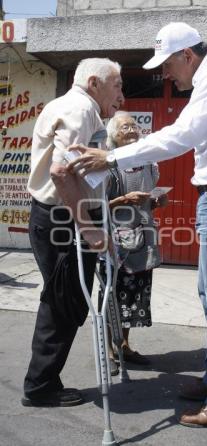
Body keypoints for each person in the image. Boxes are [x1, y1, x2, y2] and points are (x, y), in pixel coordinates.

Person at [67, 23, 207, 426]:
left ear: (188, 56)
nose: (165, 74)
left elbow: (184, 134)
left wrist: (110, 158)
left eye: (167, 65)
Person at [22, 58, 124, 407]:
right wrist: (91, 229)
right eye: (118, 86)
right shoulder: (81, 110)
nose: (121, 97)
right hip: (65, 221)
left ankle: (44, 379)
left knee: (62, 300)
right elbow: (62, 173)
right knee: (62, 303)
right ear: (95, 82)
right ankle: (40, 386)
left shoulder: (70, 106)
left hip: (58, 216)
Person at [98, 111, 167, 375]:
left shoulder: (149, 163)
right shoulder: (108, 165)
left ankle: (124, 345)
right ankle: (109, 350)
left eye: (134, 126)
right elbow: (96, 206)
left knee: (133, 297)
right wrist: (124, 199)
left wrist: (157, 201)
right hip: (114, 241)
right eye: (125, 127)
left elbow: (148, 199)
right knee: (111, 297)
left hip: (142, 238)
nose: (132, 130)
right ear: (113, 135)